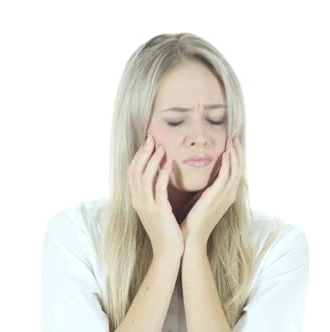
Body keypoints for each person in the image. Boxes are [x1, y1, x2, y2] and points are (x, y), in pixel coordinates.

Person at [41, 32, 310, 332]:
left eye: (217, 119)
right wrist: (167, 255)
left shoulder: (277, 247)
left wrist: (195, 244)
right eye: (175, 121)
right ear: (135, 134)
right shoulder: (78, 236)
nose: (200, 137)